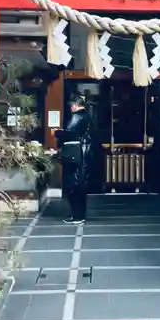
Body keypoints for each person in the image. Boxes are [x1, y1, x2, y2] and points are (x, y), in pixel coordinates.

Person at [53, 94, 95, 225]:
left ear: (75, 105)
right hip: (84, 154)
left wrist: (57, 133)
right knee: (80, 186)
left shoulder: (77, 116)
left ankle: (77, 215)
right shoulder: (87, 117)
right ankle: (80, 215)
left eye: (71, 105)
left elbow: (71, 134)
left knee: (73, 185)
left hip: (75, 156)